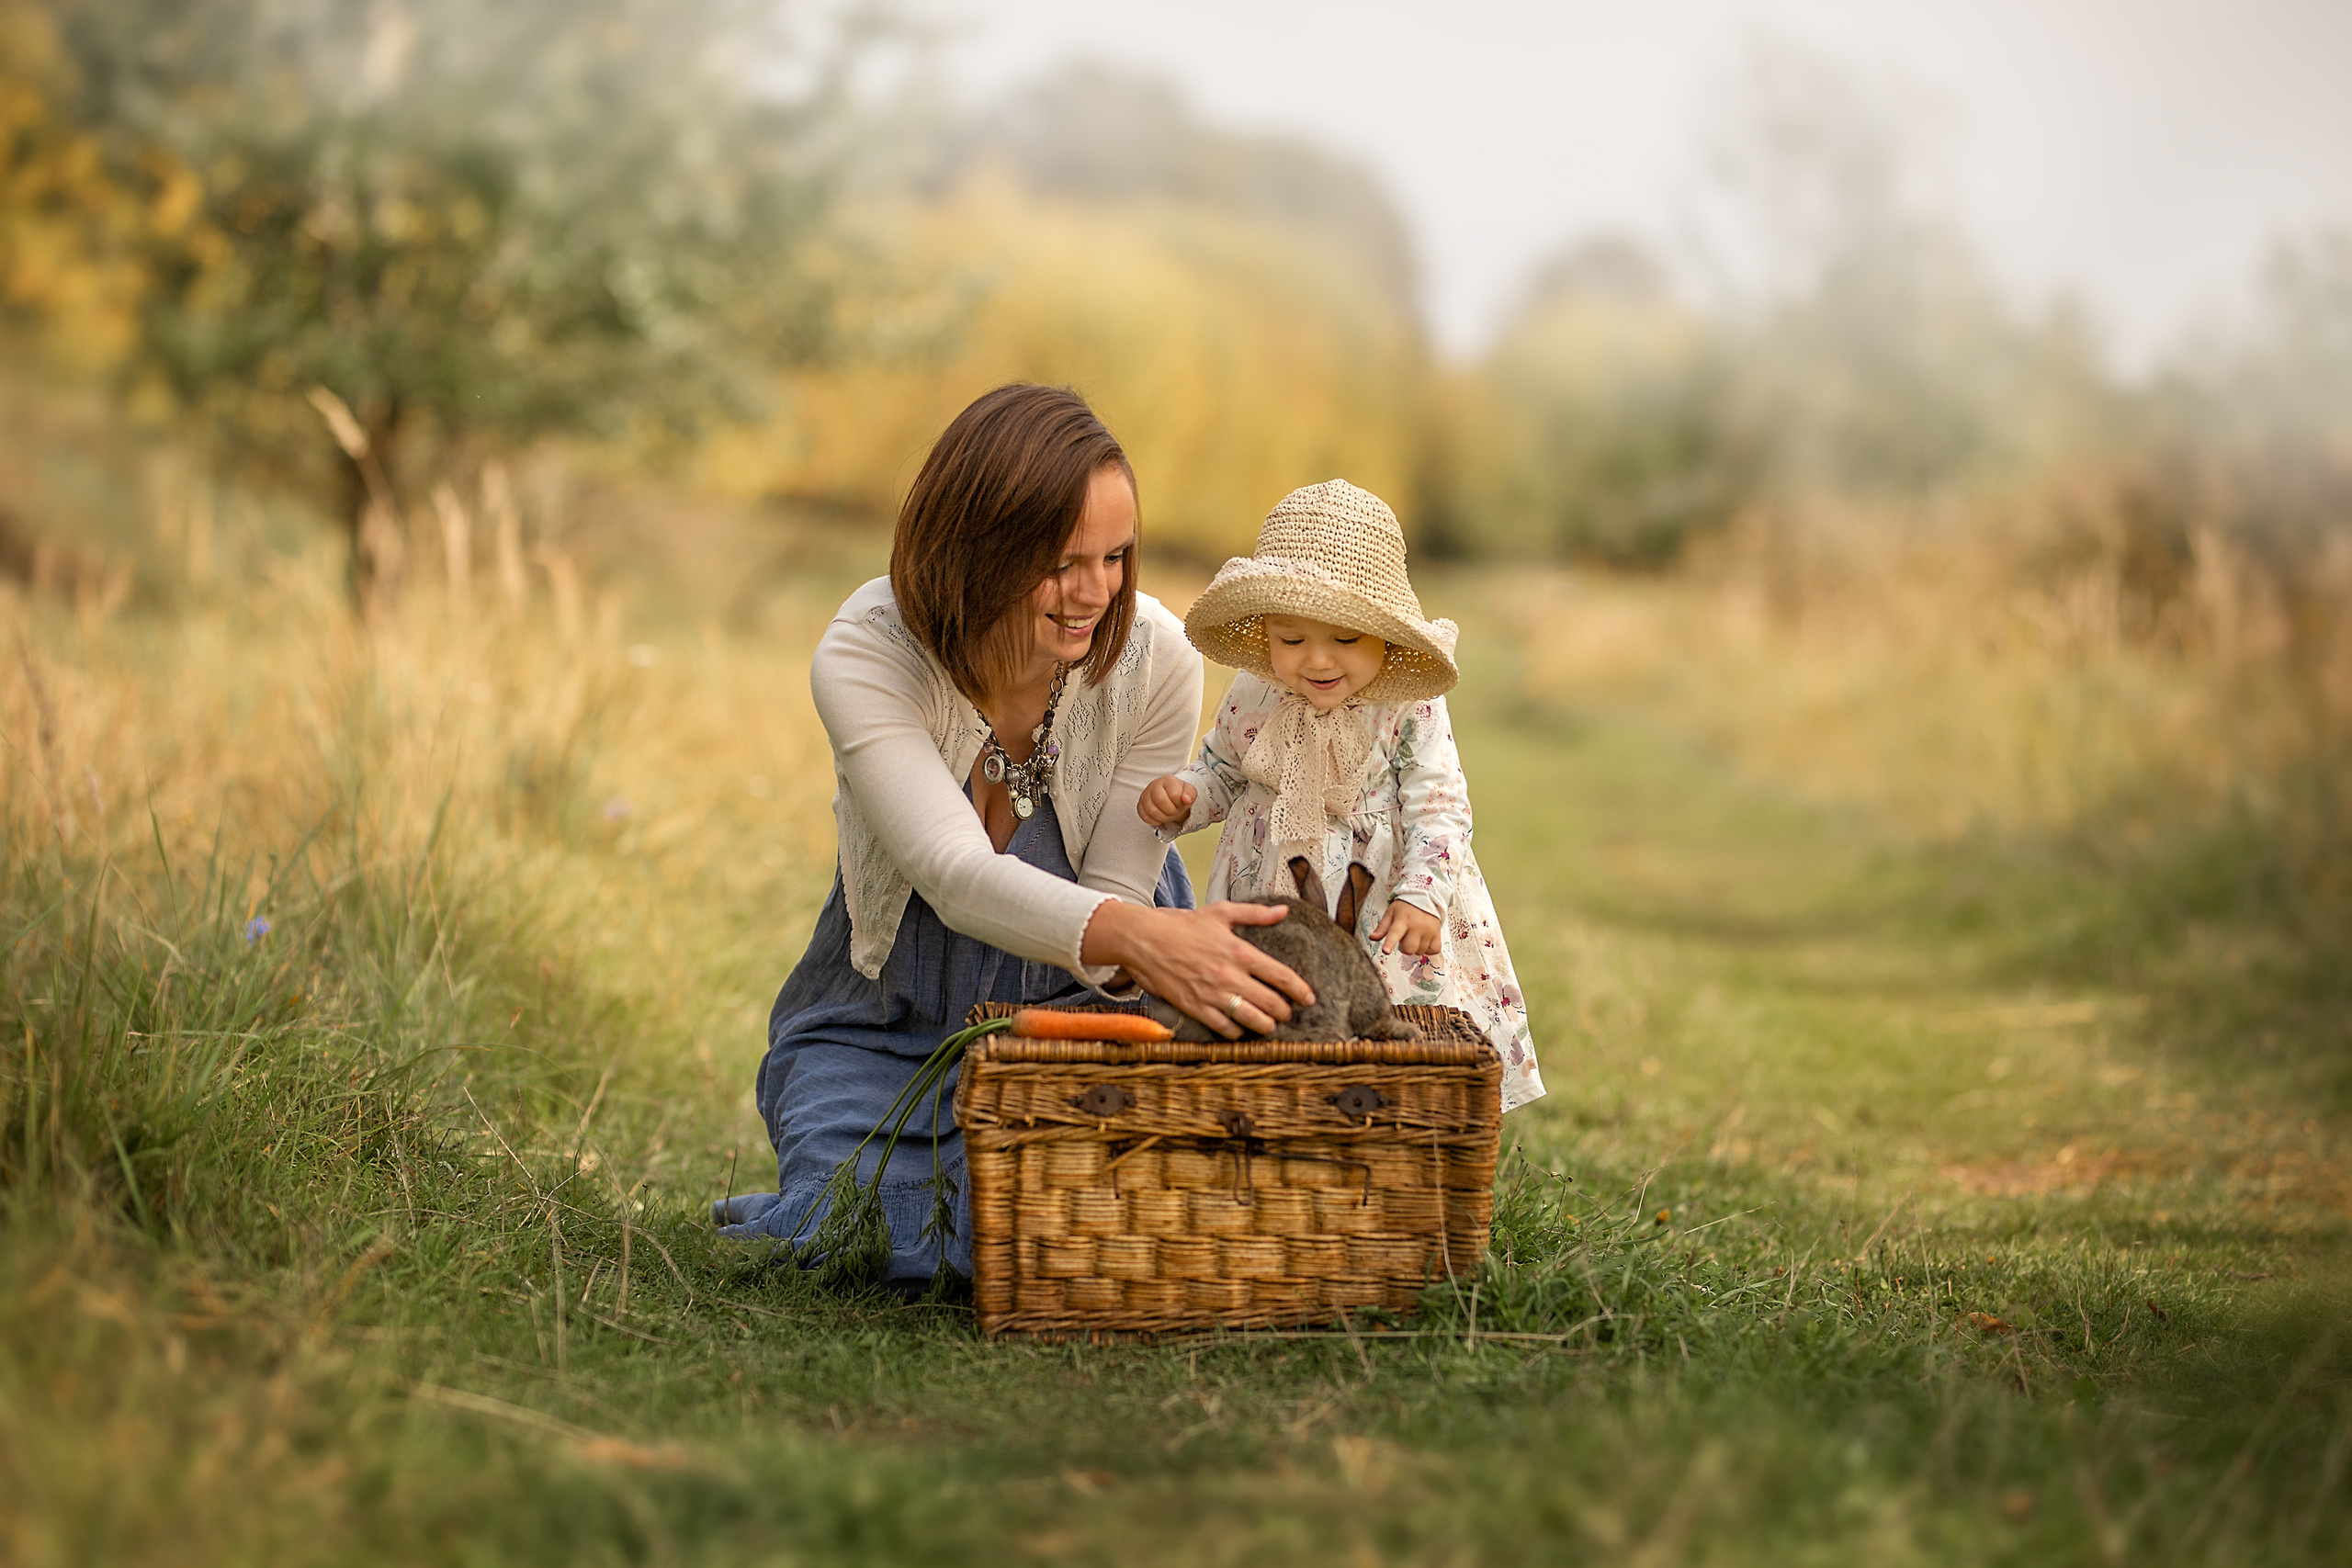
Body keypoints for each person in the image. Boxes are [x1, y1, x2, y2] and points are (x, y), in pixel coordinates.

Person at [715, 384, 1317, 1286]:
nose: (1095, 592)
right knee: (857, 1231)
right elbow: (949, 870)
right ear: (976, 546)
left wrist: (1144, 950)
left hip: (1087, 1017)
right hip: (884, 1028)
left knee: (1070, 1217)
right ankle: (854, 1205)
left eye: (1115, 556)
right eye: (1061, 562)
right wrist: (1145, 937)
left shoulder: (1155, 658)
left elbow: (1117, 894)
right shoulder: (869, 651)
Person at [1136, 479, 1545, 1111]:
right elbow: (1224, 767)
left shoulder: (1408, 705)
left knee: (1382, 1025)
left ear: (1386, 636)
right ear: (1266, 631)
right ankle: (1279, 1119)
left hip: (1378, 905)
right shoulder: (1256, 689)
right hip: (1275, 898)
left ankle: (1400, 1128)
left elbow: (1439, 805)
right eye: (1291, 639)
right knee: (1270, 1016)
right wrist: (1187, 794)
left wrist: (1421, 895)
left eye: (1346, 640)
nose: (1318, 661)